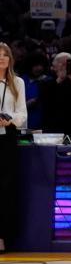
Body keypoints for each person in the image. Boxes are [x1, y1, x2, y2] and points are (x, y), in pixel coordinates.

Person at [0, 43, 28, 252]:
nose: (1, 58)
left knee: (6, 188)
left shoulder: (17, 82)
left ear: (10, 59)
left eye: (5, 55)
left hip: (7, 137)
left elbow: (22, 113)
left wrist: (10, 120)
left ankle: (2, 236)